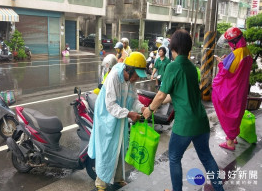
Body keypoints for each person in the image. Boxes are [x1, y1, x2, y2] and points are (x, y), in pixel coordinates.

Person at [143, 29, 224, 191]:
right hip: (201, 121)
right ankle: (219, 189)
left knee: (174, 158)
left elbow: (160, 95)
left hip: (185, 124)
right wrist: (157, 103)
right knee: (207, 157)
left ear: (173, 48)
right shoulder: (192, 68)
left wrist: (149, 110)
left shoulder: (174, 67)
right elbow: (174, 95)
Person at [88, 52, 147, 191]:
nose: (137, 78)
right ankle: (100, 183)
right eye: (136, 75)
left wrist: (141, 108)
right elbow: (111, 105)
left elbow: (133, 99)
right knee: (106, 149)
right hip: (107, 118)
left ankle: (119, 178)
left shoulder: (130, 81)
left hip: (120, 118)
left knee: (121, 147)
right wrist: (129, 114)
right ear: (129, 70)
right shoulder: (114, 76)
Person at [213, 27, 253, 151]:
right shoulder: (247, 51)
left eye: (230, 42)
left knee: (228, 113)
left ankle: (230, 142)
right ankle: (233, 137)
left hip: (232, 89)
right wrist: (227, 60)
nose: (229, 45)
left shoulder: (236, 54)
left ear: (234, 42)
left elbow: (225, 72)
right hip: (241, 89)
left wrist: (220, 62)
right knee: (237, 113)